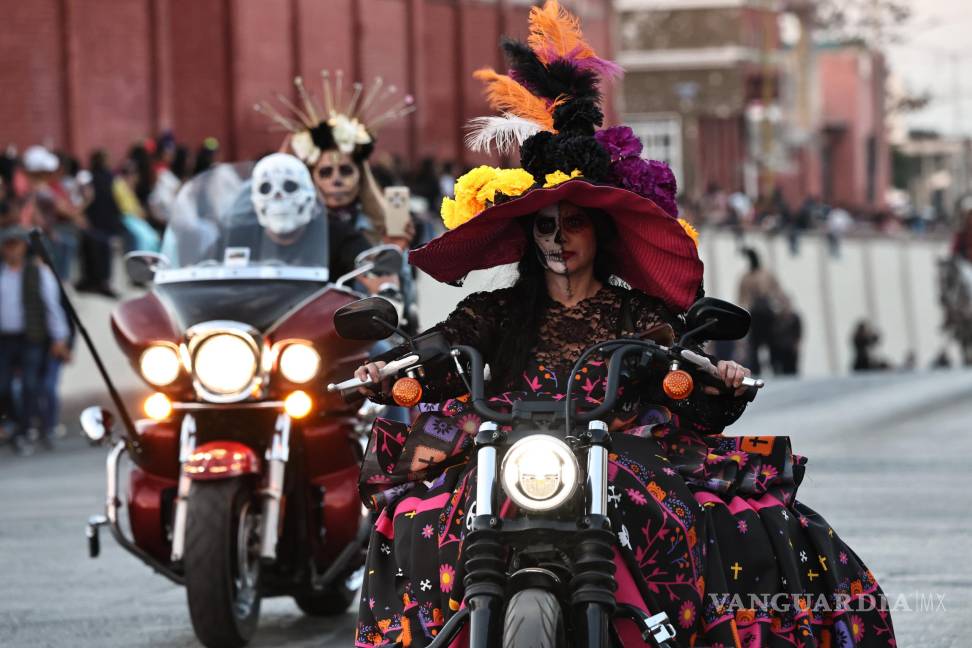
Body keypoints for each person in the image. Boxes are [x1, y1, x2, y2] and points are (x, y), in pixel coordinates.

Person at [351, 4, 895, 646]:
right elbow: (444, 349)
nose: (557, 239)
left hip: (620, 443)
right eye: (545, 226)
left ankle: (667, 631)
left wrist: (710, 371)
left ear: (599, 231)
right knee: (421, 515)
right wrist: (394, 365)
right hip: (512, 443)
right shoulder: (497, 310)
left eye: (572, 223)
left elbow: (679, 363)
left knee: (707, 516)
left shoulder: (638, 313)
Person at [0, 227, 71, 455]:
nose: (12, 250)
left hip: (31, 336)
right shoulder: (2, 274)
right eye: (7, 245)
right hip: (6, 339)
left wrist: (59, 337)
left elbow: (53, 307)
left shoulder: (38, 272)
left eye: (16, 245)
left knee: (31, 384)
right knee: (4, 385)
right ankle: (15, 423)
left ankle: (29, 428)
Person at [737, 247, 782, 375]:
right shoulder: (746, 277)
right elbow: (742, 298)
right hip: (755, 314)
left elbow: (777, 291)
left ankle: (775, 366)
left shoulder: (766, 274)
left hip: (767, 312)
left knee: (772, 342)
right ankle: (756, 369)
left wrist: (779, 306)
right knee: (755, 344)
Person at [770, 293, 802, 375]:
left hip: (789, 348)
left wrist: (796, 345)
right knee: (779, 371)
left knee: (791, 370)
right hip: (778, 348)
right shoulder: (776, 317)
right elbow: (772, 333)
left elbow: (798, 333)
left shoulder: (794, 317)